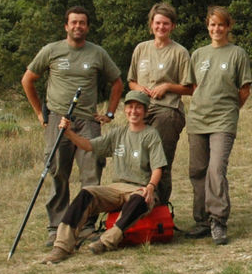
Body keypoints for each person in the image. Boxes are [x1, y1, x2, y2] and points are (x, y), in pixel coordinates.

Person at [22, 6, 123, 246]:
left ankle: (86, 226)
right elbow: (28, 79)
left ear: (87, 27)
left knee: (91, 173)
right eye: (74, 23)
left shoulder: (97, 53)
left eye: (82, 23)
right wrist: (39, 112)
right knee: (58, 171)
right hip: (58, 119)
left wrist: (109, 112)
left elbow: (117, 82)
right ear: (66, 26)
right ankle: (56, 227)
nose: (78, 26)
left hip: (87, 120)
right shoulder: (51, 51)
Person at [40, 90, 168, 263]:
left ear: (145, 112)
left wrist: (151, 187)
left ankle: (106, 241)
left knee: (140, 200)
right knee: (85, 194)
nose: (134, 111)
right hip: (116, 188)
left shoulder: (151, 135)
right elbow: (88, 146)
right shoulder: (117, 133)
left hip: (139, 188)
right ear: (125, 110)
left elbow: (158, 167)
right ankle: (62, 246)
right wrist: (69, 133)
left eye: (139, 108)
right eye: (130, 107)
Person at [184, 6, 252, 246]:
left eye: (221, 24)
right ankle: (202, 220)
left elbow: (244, 90)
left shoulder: (237, 54)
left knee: (216, 169)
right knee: (197, 171)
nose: (216, 29)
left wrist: (231, 110)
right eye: (212, 24)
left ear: (228, 27)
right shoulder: (198, 54)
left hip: (223, 121)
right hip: (197, 120)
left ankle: (218, 220)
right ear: (207, 26)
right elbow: (193, 87)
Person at [126, 2, 195, 205]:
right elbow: (131, 81)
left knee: (160, 161)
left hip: (167, 111)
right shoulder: (141, 49)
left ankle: (160, 208)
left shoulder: (180, 52)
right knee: (137, 159)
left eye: (166, 24)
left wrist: (167, 87)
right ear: (151, 25)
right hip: (141, 110)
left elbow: (189, 88)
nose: (161, 27)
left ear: (172, 26)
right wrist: (139, 90)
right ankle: (137, 205)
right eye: (157, 23)